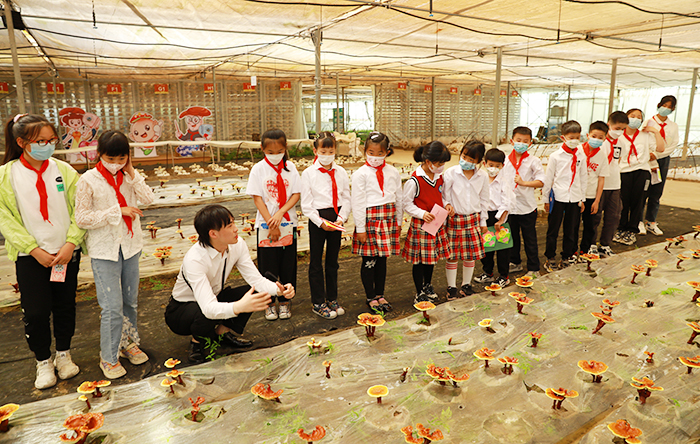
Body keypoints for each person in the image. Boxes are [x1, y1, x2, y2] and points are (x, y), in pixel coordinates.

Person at [0, 114, 86, 389]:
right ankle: (43, 360)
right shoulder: (7, 175)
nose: (47, 146)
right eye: (40, 141)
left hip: (65, 254)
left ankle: (63, 354)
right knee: (36, 312)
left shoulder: (64, 171)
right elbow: (5, 218)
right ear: (21, 142)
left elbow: (81, 209)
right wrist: (33, 249)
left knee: (65, 306)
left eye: (51, 140)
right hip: (31, 257)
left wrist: (71, 243)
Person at [165, 205, 294, 364]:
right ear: (213, 234)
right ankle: (197, 342)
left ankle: (222, 333)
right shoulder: (195, 259)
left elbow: (256, 280)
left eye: (234, 223)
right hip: (181, 311)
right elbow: (208, 307)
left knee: (256, 292)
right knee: (206, 311)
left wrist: (279, 290)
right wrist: (239, 307)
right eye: (230, 225)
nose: (236, 229)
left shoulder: (237, 244)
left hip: (214, 297)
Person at [75, 130, 155, 379]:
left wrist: (132, 172)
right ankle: (108, 356)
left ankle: (127, 344)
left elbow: (148, 199)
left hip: (130, 246)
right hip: (105, 250)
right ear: (99, 154)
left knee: (130, 301)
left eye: (122, 158)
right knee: (112, 306)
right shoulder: (88, 180)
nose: (116, 163)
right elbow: (82, 218)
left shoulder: (129, 177)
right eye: (111, 158)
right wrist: (117, 211)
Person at [246, 129, 301, 321]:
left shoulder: (291, 168)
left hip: (288, 223)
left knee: (288, 264)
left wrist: (279, 214)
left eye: (279, 151)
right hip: (265, 225)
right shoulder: (258, 169)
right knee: (267, 265)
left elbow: (295, 194)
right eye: (270, 152)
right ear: (262, 149)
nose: (275, 155)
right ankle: (269, 303)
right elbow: (257, 198)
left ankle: (285, 301)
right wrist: (271, 222)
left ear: (285, 148)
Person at [301, 132, 351, 319]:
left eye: (331, 152)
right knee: (316, 262)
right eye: (323, 151)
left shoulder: (341, 172)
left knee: (332, 261)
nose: (327, 155)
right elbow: (306, 205)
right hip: (318, 219)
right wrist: (321, 223)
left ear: (335, 151)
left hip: (336, 217)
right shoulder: (308, 173)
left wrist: (341, 218)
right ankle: (318, 302)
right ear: (315, 151)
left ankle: (332, 298)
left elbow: (346, 197)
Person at [351, 132, 402, 313]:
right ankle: (370, 296)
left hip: (388, 219)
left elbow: (399, 197)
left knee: (382, 260)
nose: (375, 157)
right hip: (370, 221)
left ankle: (380, 294)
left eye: (379, 153)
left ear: (387, 152)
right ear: (364, 151)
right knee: (369, 260)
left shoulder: (393, 172)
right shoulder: (360, 174)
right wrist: (360, 228)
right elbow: (357, 202)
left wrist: (399, 221)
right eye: (371, 152)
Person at [402, 141, 452, 303]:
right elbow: (406, 204)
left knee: (431, 258)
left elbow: (442, 196)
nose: (441, 167)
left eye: (443, 163)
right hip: (421, 225)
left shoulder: (439, 178)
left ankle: (427, 285)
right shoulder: (414, 181)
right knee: (419, 261)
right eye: (439, 163)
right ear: (428, 161)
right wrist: (422, 214)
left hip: (435, 223)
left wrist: (447, 205)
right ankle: (419, 292)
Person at [442, 140, 489, 299]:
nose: (466, 161)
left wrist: (483, 221)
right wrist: (447, 204)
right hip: (455, 219)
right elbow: (444, 195)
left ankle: (466, 285)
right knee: (453, 256)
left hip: (473, 219)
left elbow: (485, 200)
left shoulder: (482, 176)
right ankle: (451, 287)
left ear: (479, 161)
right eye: (464, 157)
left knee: (470, 255)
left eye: (471, 159)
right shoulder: (451, 173)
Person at [613, 108, 665, 246]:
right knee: (623, 202)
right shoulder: (619, 136)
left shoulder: (645, 135)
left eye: (638, 117)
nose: (635, 119)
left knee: (638, 201)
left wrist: (655, 132)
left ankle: (632, 230)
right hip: (623, 171)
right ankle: (620, 228)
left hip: (642, 171)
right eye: (632, 116)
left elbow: (660, 149)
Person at [542, 120, 588, 272]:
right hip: (558, 197)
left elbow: (583, 178)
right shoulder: (555, 156)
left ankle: (567, 257)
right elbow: (549, 178)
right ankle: (550, 257)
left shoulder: (581, 155)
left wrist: (582, 199)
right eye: (571, 137)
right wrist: (545, 199)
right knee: (553, 230)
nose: (574, 140)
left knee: (571, 230)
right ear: (563, 138)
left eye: (577, 137)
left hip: (574, 198)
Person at [501, 127, 545, 277]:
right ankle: (515, 262)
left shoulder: (533, 161)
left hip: (527, 207)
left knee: (529, 238)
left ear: (530, 143)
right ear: (512, 141)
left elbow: (541, 181)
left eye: (525, 141)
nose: (521, 143)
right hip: (509, 207)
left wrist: (524, 183)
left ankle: (534, 268)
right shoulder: (505, 160)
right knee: (511, 237)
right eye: (518, 140)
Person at [474, 148, 513, 287]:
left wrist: (501, 220)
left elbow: (508, 202)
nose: (493, 168)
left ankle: (504, 276)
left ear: (502, 166)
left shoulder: (503, 182)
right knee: (486, 247)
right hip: (485, 216)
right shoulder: (481, 180)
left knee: (502, 249)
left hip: (500, 216)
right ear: (485, 164)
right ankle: (488, 273)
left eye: (497, 166)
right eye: (491, 165)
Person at [640, 95, 679, 236]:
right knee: (643, 190)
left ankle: (651, 221)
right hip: (648, 159)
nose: (666, 109)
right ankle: (638, 221)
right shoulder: (648, 122)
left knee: (657, 191)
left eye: (669, 107)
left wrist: (657, 155)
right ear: (659, 105)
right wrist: (650, 154)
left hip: (662, 159)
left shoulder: (673, 126)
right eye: (664, 105)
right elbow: (642, 139)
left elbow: (673, 144)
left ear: (673, 109)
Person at [596, 111, 627, 257]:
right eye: (617, 128)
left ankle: (605, 245)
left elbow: (618, 161)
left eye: (623, 129)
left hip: (614, 184)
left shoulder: (621, 143)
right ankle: (591, 244)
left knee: (613, 216)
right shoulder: (600, 141)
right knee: (595, 217)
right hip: (599, 185)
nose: (619, 132)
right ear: (609, 125)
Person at [579, 121, 610, 256]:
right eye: (594, 136)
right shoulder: (578, 151)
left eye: (600, 137)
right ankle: (571, 252)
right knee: (573, 226)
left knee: (589, 226)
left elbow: (601, 179)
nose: (596, 139)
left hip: (591, 196)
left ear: (605, 139)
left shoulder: (602, 156)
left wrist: (597, 201)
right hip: (576, 195)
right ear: (588, 135)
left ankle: (584, 251)